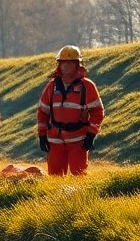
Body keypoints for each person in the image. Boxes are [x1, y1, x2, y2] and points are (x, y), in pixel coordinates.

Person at [37, 46, 104, 176]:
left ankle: (80, 197)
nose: (66, 67)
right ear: (59, 65)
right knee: (55, 178)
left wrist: (91, 135)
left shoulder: (87, 86)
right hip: (55, 140)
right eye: (63, 63)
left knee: (79, 176)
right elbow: (42, 112)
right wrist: (42, 135)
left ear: (77, 64)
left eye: (70, 63)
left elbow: (97, 112)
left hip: (78, 140)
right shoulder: (52, 86)